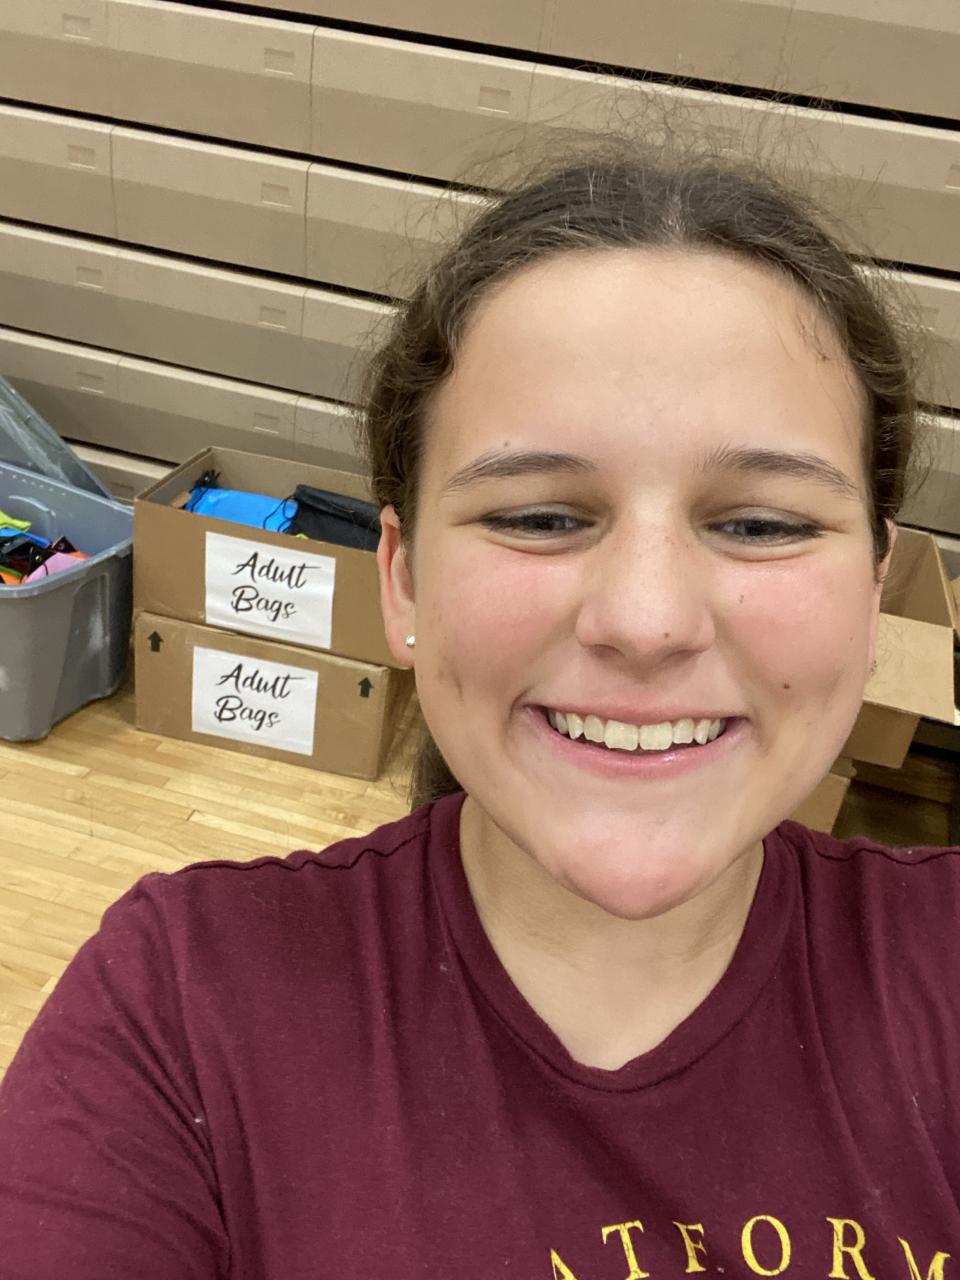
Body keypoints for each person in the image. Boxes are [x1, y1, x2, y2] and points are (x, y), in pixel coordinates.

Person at [1, 145, 958, 1280]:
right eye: (541, 517)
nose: (646, 620)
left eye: (762, 525)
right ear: (401, 581)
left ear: (872, 592)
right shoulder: (178, 1017)